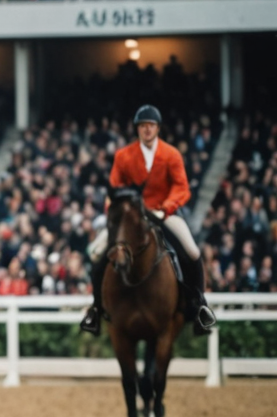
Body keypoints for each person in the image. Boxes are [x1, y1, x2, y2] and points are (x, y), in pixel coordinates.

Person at [80, 105, 214, 336]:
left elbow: (182, 188)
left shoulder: (171, 154)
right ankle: (96, 309)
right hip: (132, 215)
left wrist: (165, 208)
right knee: (98, 252)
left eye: (150, 126)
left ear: (157, 128)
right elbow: (115, 187)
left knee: (192, 252)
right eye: (143, 126)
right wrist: (117, 209)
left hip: (165, 212)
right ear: (138, 129)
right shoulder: (124, 155)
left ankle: (200, 306)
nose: (147, 130)